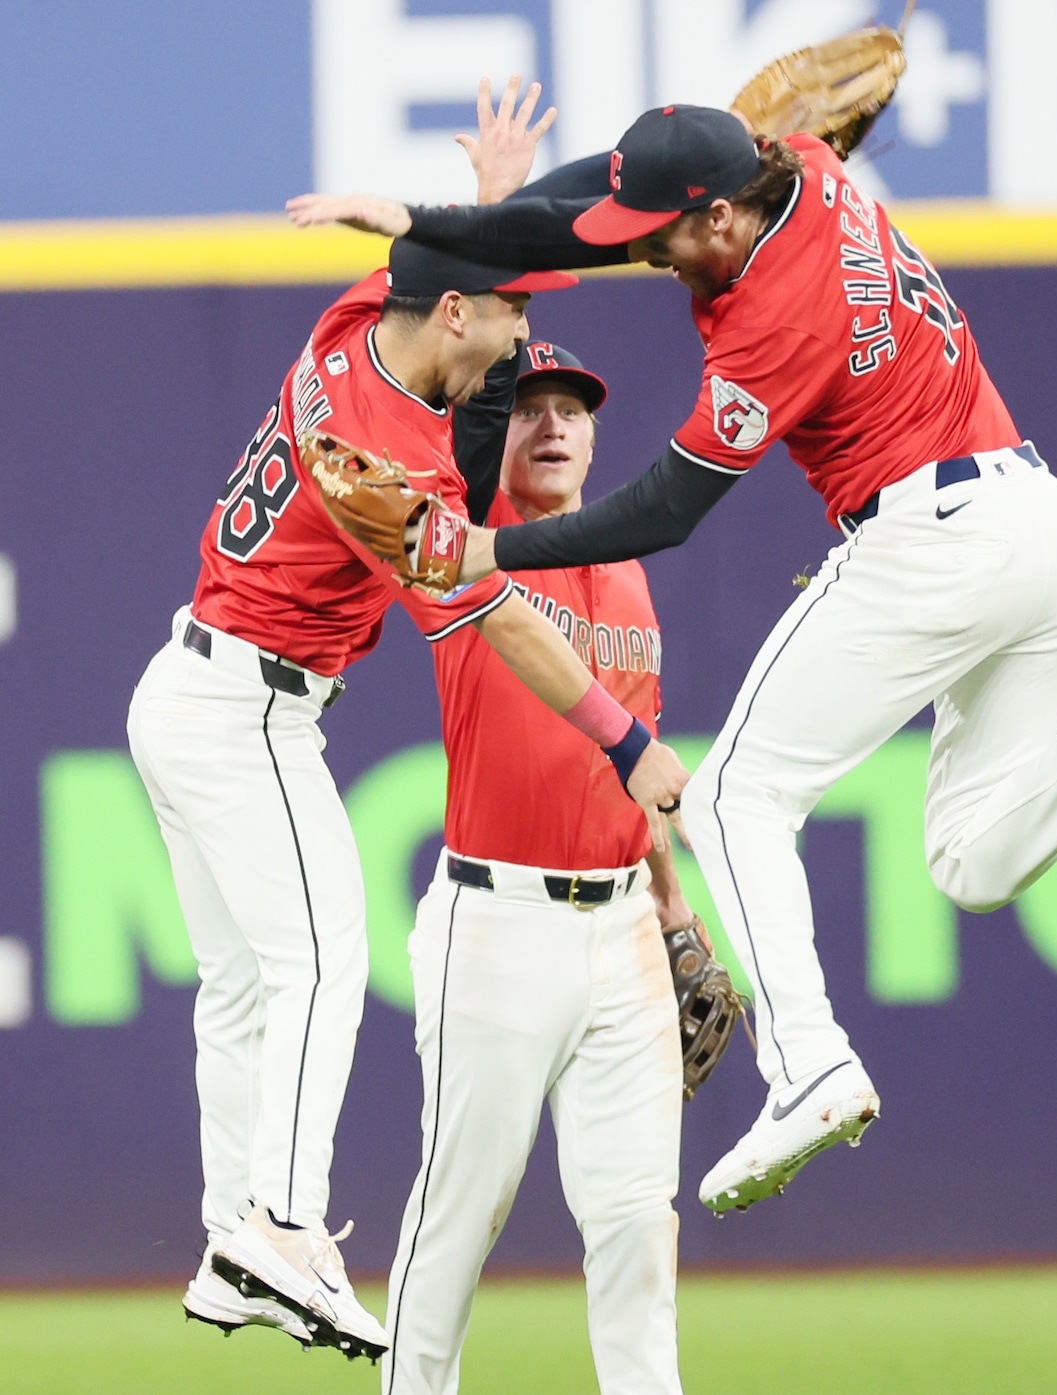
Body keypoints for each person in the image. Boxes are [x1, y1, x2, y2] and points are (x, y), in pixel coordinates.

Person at [288, 106, 1057, 1222]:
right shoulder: (807, 168)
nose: (650, 247)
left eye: (671, 231)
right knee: (971, 865)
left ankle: (810, 1069)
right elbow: (598, 207)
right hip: (1044, 532)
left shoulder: (772, 319)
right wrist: (446, 222)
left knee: (729, 797)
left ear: (724, 214)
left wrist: (487, 545)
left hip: (935, 534)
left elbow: (668, 507)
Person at [126, 236, 688, 1362]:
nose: (516, 353)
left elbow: (431, 264)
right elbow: (494, 614)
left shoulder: (350, 330)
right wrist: (622, 738)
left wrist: (484, 202)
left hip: (185, 684)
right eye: (504, 331)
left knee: (239, 986)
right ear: (448, 317)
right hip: (250, 707)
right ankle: (282, 1229)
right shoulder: (390, 463)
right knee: (322, 965)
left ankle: (230, 1231)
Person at [383, 341, 690, 1395]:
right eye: (526, 409)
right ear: (490, 431)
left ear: (597, 434)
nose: (551, 426)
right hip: (498, 922)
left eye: (570, 410)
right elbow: (458, 426)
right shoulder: (476, 538)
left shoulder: (626, 567)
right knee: (459, 1217)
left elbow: (640, 772)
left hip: (623, 935)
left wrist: (676, 913)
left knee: (636, 1224)